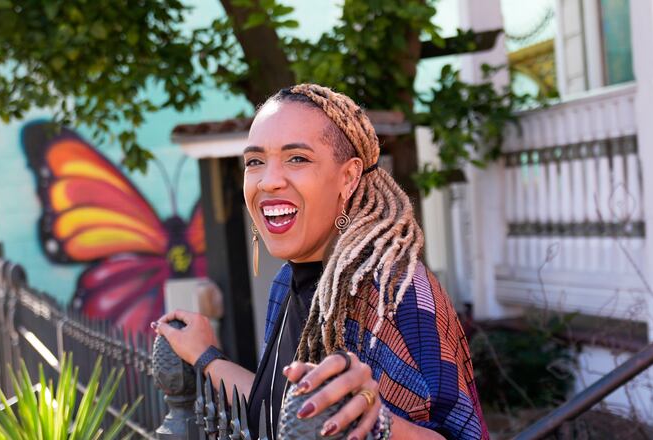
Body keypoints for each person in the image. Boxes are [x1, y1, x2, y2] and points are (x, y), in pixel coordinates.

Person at [154, 84, 488, 440]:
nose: (269, 181)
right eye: (255, 162)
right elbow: (281, 407)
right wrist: (206, 357)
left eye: (297, 158)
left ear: (348, 177)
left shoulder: (395, 291)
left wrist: (379, 423)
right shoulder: (286, 283)